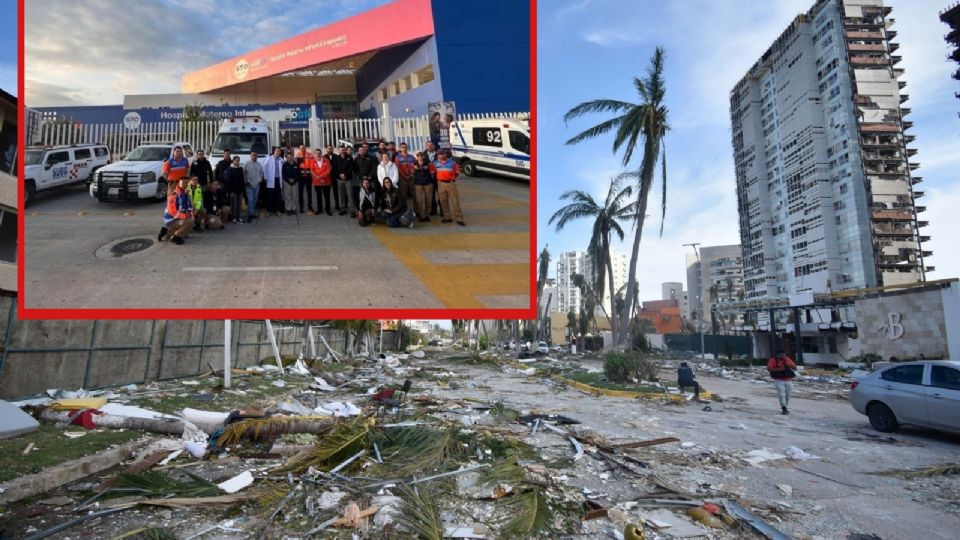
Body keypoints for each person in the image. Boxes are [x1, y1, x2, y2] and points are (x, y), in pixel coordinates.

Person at [432, 150, 465, 225]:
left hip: (451, 183)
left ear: (445, 154)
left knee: (455, 201)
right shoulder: (435, 163)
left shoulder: (453, 163)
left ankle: (459, 218)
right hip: (441, 184)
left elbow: (456, 173)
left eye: (442, 154)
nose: (441, 156)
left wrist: (451, 179)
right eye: (439, 154)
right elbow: (432, 171)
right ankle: (447, 217)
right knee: (443, 201)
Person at [160, 177, 194, 245]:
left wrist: (190, 213)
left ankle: (167, 232)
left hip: (179, 218)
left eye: (187, 183)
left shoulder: (186, 194)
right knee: (189, 221)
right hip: (171, 220)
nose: (185, 184)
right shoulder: (173, 194)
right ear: (179, 183)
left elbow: (190, 206)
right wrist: (184, 216)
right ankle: (174, 237)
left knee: (185, 234)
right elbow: (172, 212)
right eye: (184, 182)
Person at [262, 147, 285, 216]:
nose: (278, 152)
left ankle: (277, 210)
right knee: (270, 196)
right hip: (270, 180)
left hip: (278, 179)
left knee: (278, 196)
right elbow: (264, 168)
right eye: (277, 151)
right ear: (274, 152)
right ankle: (269, 211)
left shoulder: (281, 160)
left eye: (279, 151)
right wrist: (265, 177)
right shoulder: (269, 159)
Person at [412, 152, 434, 222]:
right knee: (419, 200)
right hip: (418, 184)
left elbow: (432, 173)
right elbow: (411, 173)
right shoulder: (413, 164)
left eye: (421, 156)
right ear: (417, 157)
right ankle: (422, 216)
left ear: (423, 157)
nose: (420, 157)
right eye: (418, 156)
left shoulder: (428, 163)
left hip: (428, 183)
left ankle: (427, 215)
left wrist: (431, 181)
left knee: (428, 200)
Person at [334, 145, 355, 216]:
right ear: (338, 150)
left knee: (350, 195)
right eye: (340, 150)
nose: (342, 151)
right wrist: (340, 175)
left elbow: (351, 168)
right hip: (339, 180)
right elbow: (335, 168)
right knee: (341, 195)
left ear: (345, 150)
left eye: (343, 150)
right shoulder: (336, 158)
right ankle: (343, 209)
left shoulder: (349, 158)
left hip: (348, 179)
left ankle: (352, 210)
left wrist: (345, 174)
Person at [311, 150, 333, 216]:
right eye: (317, 153)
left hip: (326, 182)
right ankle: (319, 209)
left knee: (327, 197)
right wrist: (318, 178)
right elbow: (312, 171)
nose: (318, 154)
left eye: (319, 153)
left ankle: (328, 210)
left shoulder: (326, 160)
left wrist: (320, 177)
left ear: (321, 154)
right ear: (314, 154)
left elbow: (328, 170)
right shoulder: (313, 161)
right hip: (317, 182)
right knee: (318, 196)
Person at [395, 142, 416, 209]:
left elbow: (414, 166)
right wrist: (404, 176)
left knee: (414, 194)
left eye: (405, 147)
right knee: (404, 195)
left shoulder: (412, 157)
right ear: (400, 148)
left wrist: (411, 174)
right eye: (402, 147)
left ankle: (417, 211)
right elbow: (397, 169)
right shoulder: (397, 157)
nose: (404, 148)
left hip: (411, 177)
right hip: (402, 178)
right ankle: (405, 210)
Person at [225, 156, 245, 223]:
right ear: (233, 161)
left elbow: (242, 180)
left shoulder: (241, 168)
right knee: (234, 204)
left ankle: (238, 217)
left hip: (240, 190)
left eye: (238, 160)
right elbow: (229, 181)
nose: (237, 162)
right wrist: (230, 191)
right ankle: (234, 217)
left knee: (239, 205)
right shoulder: (230, 169)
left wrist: (243, 189)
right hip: (233, 190)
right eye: (236, 160)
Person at [297, 147, 315, 214]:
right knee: (300, 193)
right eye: (301, 148)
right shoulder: (297, 155)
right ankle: (301, 207)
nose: (302, 149)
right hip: (301, 177)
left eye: (303, 148)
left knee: (309, 192)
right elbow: (297, 166)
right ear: (299, 149)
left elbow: (312, 164)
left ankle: (310, 207)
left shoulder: (310, 155)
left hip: (308, 176)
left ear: (305, 148)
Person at [323, 144, 340, 211]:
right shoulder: (324, 157)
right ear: (326, 149)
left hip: (335, 177)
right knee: (326, 193)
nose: (330, 149)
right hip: (327, 177)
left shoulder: (337, 156)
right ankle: (327, 206)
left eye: (331, 148)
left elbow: (339, 166)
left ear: (333, 149)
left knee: (336, 192)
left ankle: (337, 205)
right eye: (328, 148)